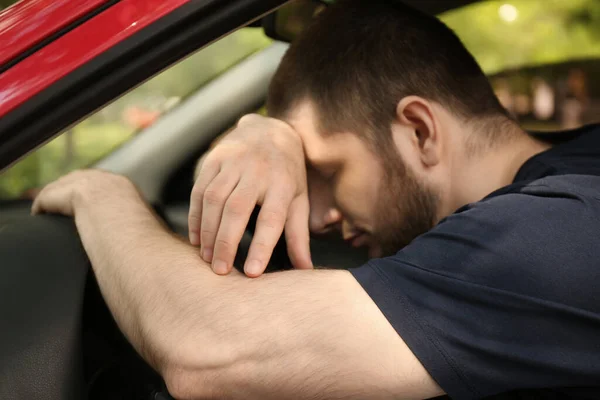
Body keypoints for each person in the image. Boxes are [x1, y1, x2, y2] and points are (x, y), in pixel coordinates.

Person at [32, 1, 600, 399]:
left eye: (325, 171)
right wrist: (261, 131)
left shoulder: (555, 232)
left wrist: (101, 191)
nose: (318, 216)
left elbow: (208, 349)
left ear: (421, 130)